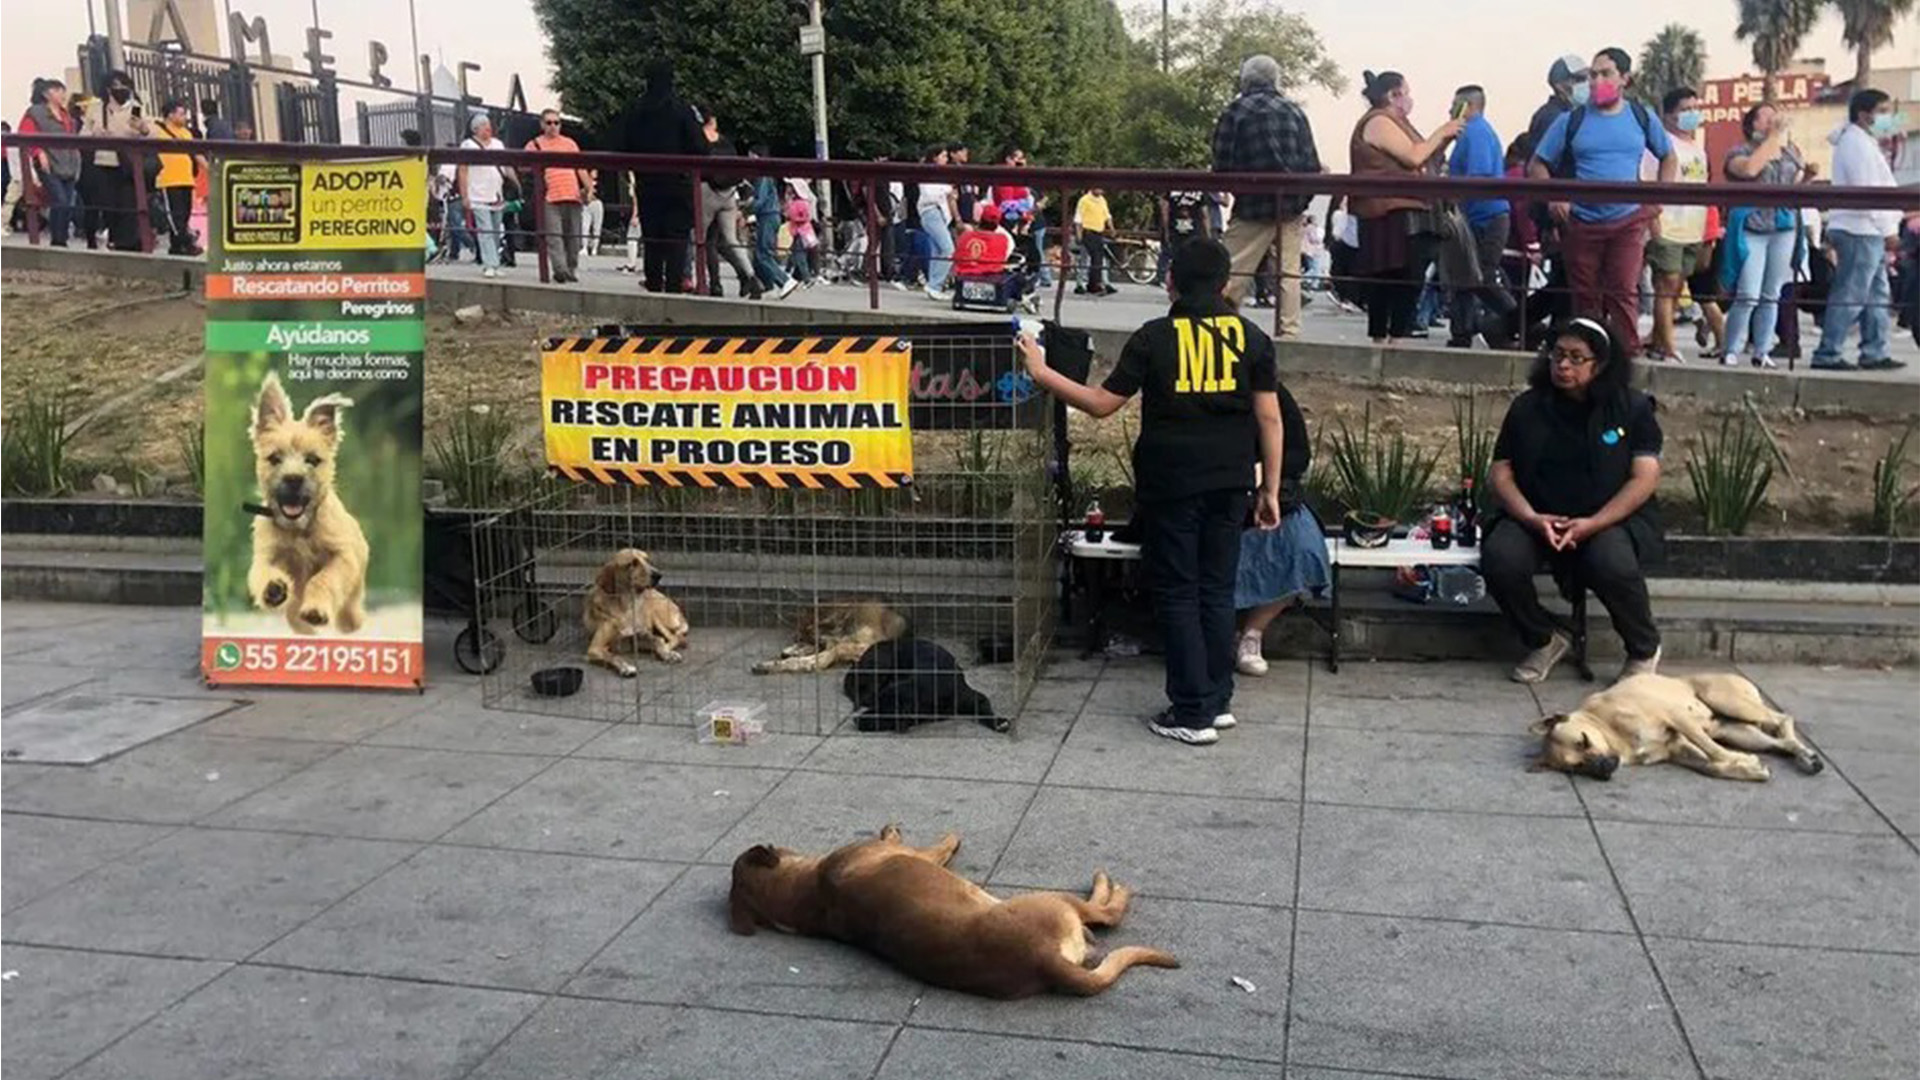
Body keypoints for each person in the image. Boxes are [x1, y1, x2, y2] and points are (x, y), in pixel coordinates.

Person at [1017, 238, 1285, 745]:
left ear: (1170, 282)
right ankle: (1217, 698)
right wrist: (1269, 487)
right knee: (1217, 589)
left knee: (1180, 592)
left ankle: (1190, 711)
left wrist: (1041, 371)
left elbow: (1100, 404)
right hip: (1232, 483)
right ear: (1226, 284)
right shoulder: (1252, 338)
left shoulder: (1154, 338)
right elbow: (1269, 416)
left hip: (1172, 482)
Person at [1482, 316, 1664, 683]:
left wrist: (1595, 523)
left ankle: (1643, 648)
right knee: (1501, 557)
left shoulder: (1632, 408)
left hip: (1608, 519)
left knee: (1610, 561)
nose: (1563, 365)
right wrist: (1532, 517)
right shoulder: (1527, 408)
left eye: (1576, 358)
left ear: (1600, 364)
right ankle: (1544, 637)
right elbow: (1500, 472)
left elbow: (1644, 477)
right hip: (1538, 516)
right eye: (1557, 355)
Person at [1529, 47, 1676, 356]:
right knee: (1585, 298)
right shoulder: (1572, 119)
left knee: (1624, 292)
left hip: (1627, 220)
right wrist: (1555, 195)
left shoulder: (1640, 117)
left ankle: (1625, 359)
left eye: (1605, 74)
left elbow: (1668, 155)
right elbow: (1537, 164)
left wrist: (1659, 196)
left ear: (1625, 79)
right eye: (1592, 75)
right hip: (1582, 222)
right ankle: (1588, 359)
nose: (1596, 81)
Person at [1212, 54, 1322, 333]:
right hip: (1291, 205)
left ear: (1244, 80)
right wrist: (1300, 200)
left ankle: (1217, 326)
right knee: (1289, 273)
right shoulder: (1295, 111)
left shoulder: (1235, 111)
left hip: (1251, 205)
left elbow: (1221, 164)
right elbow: (1311, 164)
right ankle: (1289, 332)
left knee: (1230, 269)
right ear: (1276, 80)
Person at [1351, 70, 1463, 342]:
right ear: (1393, 95)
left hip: (1409, 209)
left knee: (1408, 278)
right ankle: (1382, 340)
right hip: (1387, 210)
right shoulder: (1379, 121)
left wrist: (1444, 139)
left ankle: (1395, 339)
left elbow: (1425, 155)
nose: (1410, 99)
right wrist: (1442, 132)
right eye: (1406, 93)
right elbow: (1413, 156)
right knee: (1389, 277)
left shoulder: (1400, 123)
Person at [1234, 378, 1329, 677]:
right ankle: (1216, 633)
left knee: (1303, 547)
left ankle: (1252, 632)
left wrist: (1266, 473)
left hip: (1272, 494)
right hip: (1216, 492)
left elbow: (1298, 454)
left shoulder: (1269, 391)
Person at [1813, 89, 1906, 371]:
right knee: (1852, 293)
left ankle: (1874, 350)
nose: (1888, 117)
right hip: (1859, 229)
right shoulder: (1855, 144)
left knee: (1876, 295)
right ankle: (1828, 352)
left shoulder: (1863, 142)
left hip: (1868, 229)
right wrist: (1888, 228)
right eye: (1883, 111)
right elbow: (1869, 192)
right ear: (1866, 114)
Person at [1720, 103, 1806, 369]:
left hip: (1783, 226)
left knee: (1772, 294)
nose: (1773, 121)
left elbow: (1793, 185)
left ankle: (1762, 349)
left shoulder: (1789, 152)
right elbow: (1750, 169)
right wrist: (1772, 138)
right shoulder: (1739, 152)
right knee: (1748, 293)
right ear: (1752, 124)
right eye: (1766, 117)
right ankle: (1731, 347)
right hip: (1752, 226)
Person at [623, 60, 708, 293]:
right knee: (676, 240)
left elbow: (621, 145)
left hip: (647, 182)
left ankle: (653, 284)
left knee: (652, 238)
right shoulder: (682, 109)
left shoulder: (635, 109)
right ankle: (673, 288)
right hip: (677, 183)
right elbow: (700, 146)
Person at [1643, 88, 1710, 365]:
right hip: (1667, 226)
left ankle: (1657, 340)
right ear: (1669, 116)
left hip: (1692, 228)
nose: (1692, 114)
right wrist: (1653, 222)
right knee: (1666, 284)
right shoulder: (1660, 145)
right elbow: (1647, 183)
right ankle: (1669, 348)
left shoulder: (1697, 149)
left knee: (1677, 285)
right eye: (1685, 109)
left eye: (1695, 107)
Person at [1445, 84, 1515, 348]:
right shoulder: (1466, 135)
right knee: (1463, 276)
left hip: (1487, 217)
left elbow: (1479, 175)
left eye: (1454, 105)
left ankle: (1519, 320)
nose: (1449, 110)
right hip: (1473, 217)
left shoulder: (1476, 133)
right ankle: (1461, 331)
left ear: (1468, 106)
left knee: (1483, 277)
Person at [81, 69, 150, 252]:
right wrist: (95, 134)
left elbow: (150, 135)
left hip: (128, 163)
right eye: (116, 86)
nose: (120, 90)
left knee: (128, 203)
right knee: (107, 204)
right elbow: (82, 135)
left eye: (124, 86)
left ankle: (126, 241)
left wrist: (143, 129)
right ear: (107, 89)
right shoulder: (96, 109)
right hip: (103, 161)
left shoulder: (137, 107)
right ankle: (112, 237)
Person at [695, 108, 760, 298]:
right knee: (731, 240)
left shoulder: (697, 141)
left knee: (704, 239)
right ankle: (751, 277)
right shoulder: (726, 142)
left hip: (706, 190)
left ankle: (713, 284)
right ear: (712, 120)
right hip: (729, 193)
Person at [523, 109, 590, 283]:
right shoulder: (534, 145)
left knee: (573, 237)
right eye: (549, 123)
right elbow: (522, 165)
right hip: (550, 196)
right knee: (554, 236)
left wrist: (589, 189)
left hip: (572, 194)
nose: (553, 126)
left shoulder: (570, 144)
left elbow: (580, 168)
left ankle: (571, 268)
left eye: (556, 122)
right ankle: (560, 270)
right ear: (542, 125)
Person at [20, 78, 82, 247]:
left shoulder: (66, 115)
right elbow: (25, 134)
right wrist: (38, 151)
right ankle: (58, 239)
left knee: (68, 202)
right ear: (47, 94)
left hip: (68, 161)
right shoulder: (36, 112)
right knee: (60, 199)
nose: (62, 94)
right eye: (58, 91)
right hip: (48, 162)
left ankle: (61, 237)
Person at [151, 98, 205, 256]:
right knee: (175, 214)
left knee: (185, 213)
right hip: (169, 178)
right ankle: (184, 243)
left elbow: (196, 153)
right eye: (181, 114)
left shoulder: (186, 133)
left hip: (186, 178)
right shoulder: (159, 131)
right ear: (170, 115)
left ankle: (177, 245)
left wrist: (209, 168)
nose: (185, 118)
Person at [457, 114, 508, 278]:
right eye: (483, 125)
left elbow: (506, 165)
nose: (488, 127)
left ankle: (495, 262)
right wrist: (464, 195)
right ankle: (489, 264)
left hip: (497, 193)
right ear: (475, 129)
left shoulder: (498, 144)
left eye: (488, 124)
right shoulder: (468, 145)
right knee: (485, 230)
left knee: (495, 230)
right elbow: (462, 171)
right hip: (477, 194)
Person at [745, 146, 800, 299]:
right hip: (770, 215)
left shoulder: (762, 175)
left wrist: (747, 206)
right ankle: (767, 285)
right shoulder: (766, 175)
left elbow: (760, 200)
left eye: (750, 157)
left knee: (763, 254)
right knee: (760, 254)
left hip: (767, 216)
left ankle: (784, 280)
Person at [1526, 54, 1590, 157]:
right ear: (1559, 86)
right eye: (1580, 79)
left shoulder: (1573, 114)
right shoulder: (1551, 117)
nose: (1587, 84)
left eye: (1589, 78)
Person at [1074, 186, 1116, 296]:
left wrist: (1111, 228)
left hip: (1098, 232)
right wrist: (1079, 235)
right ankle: (1081, 283)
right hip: (1088, 231)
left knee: (1100, 258)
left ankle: (1103, 282)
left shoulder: (1102, 200)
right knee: (1086, 258)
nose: (1101, 190)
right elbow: (1078, 218)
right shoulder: (1084, 200)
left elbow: (1107, 215)